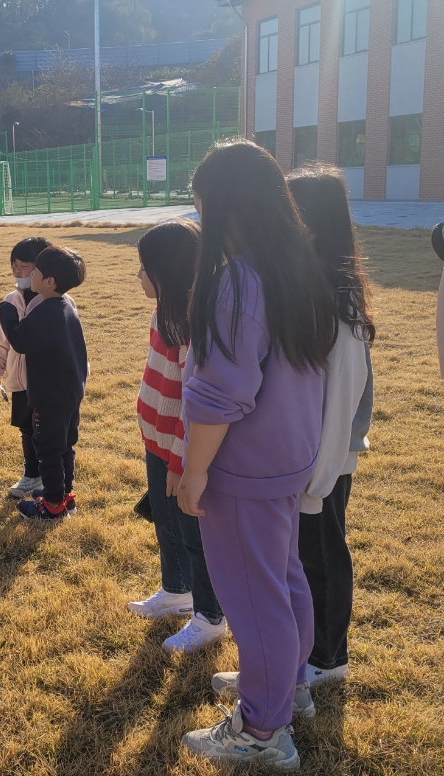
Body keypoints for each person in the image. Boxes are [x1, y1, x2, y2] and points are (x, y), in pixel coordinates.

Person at [177, 141, 337, 770]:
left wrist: (193, 473)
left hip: (243, 469)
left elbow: (221, 393)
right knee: (283, 578)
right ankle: (285, 687)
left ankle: (263, 730)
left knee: (253, 596)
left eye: (201, 211)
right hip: (287, 457)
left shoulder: (240, 280)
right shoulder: (297, 264)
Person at [288, 165, 374, 688]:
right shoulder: (310, 285)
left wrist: (318, 480)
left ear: (312, 224)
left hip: (326, 459)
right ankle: (303, 654)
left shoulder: (337, 299)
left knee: (323, 553)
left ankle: (329, 658)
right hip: (307, 457)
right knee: (305, 557)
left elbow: (341, 395)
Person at [126, 220, 226, 653]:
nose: (139, 275)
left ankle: (209, 615)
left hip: (178, 450)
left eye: (143, 267)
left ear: (165, 270)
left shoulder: (191, 323)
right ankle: (176, 589)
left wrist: (180, 462)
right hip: (157, 439)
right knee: (165, 523)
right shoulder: (163, 312)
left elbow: (193, 402)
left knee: (192, 532)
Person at [0, 245, 88, 520]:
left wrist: (7, 313)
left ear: (49, 281)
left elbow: (21, 341)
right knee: (64, 445)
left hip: (48, 397)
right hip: (69, 393)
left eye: (35, 271)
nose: (31, 275)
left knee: (48, 448)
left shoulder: (45, 310)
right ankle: (63, 495)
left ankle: (51, 506)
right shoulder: (65, 307)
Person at [0, 236, 52, 499]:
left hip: (47, 382)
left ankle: (53, 477)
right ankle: (31, 474)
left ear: (42, 269)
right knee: (27, 429)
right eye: (14, 266)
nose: (17, 272)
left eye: (23, 267)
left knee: (47, 430)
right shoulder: (11, 300)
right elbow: (1, 339)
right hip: (20, 381)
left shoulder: (54, 300)